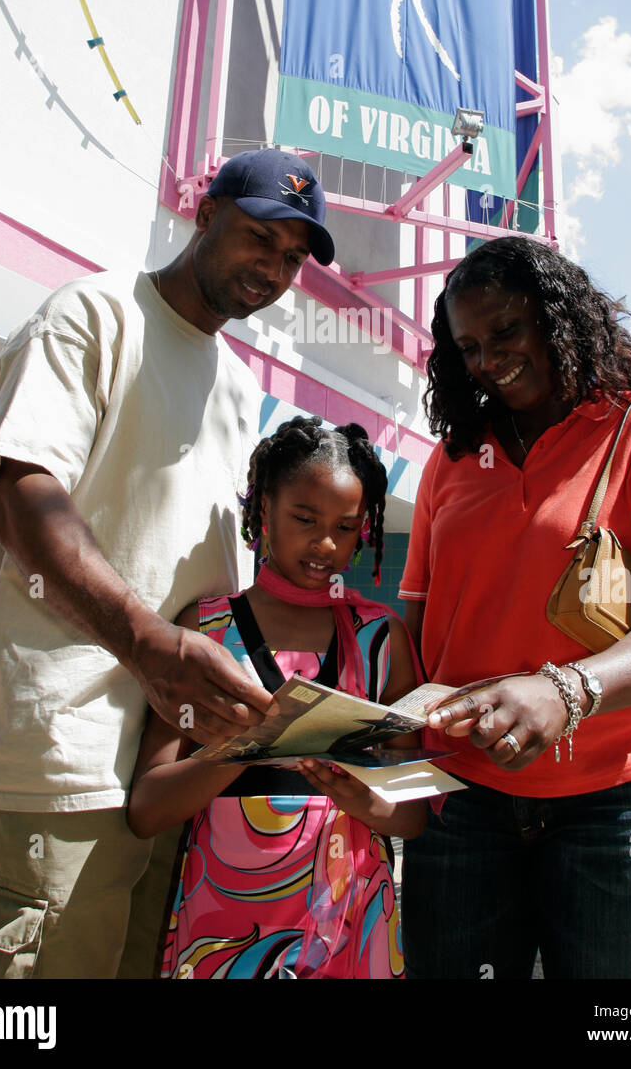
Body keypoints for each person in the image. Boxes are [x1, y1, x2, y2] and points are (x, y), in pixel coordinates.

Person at [0, 150, 336, 979]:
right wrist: (146, 644)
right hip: (53, 759)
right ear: (204, 213)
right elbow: (20, 494)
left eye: (291, 258)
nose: (274, 270)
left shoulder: (237, 384)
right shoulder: (92, 316)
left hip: (166, 769)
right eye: (258, 238)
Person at [397, 236, 631, 980]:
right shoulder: (450, 461)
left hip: (623, 805)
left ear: (560, 317)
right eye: (469, 345)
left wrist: (565, 689)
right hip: (463, 800)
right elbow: (415, 630)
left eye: (506, 331)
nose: (487, 360)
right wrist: (384, 732)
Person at [128, 417, 426, 979]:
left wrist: (361, 800)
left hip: (352, 922)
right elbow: (147, 810)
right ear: (264, 507)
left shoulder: (382, 638)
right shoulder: (206, 630)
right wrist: (247, 746)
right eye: (305, 519)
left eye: (346, 527)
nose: (325, 544)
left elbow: (410, 815)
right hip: (225, 928)